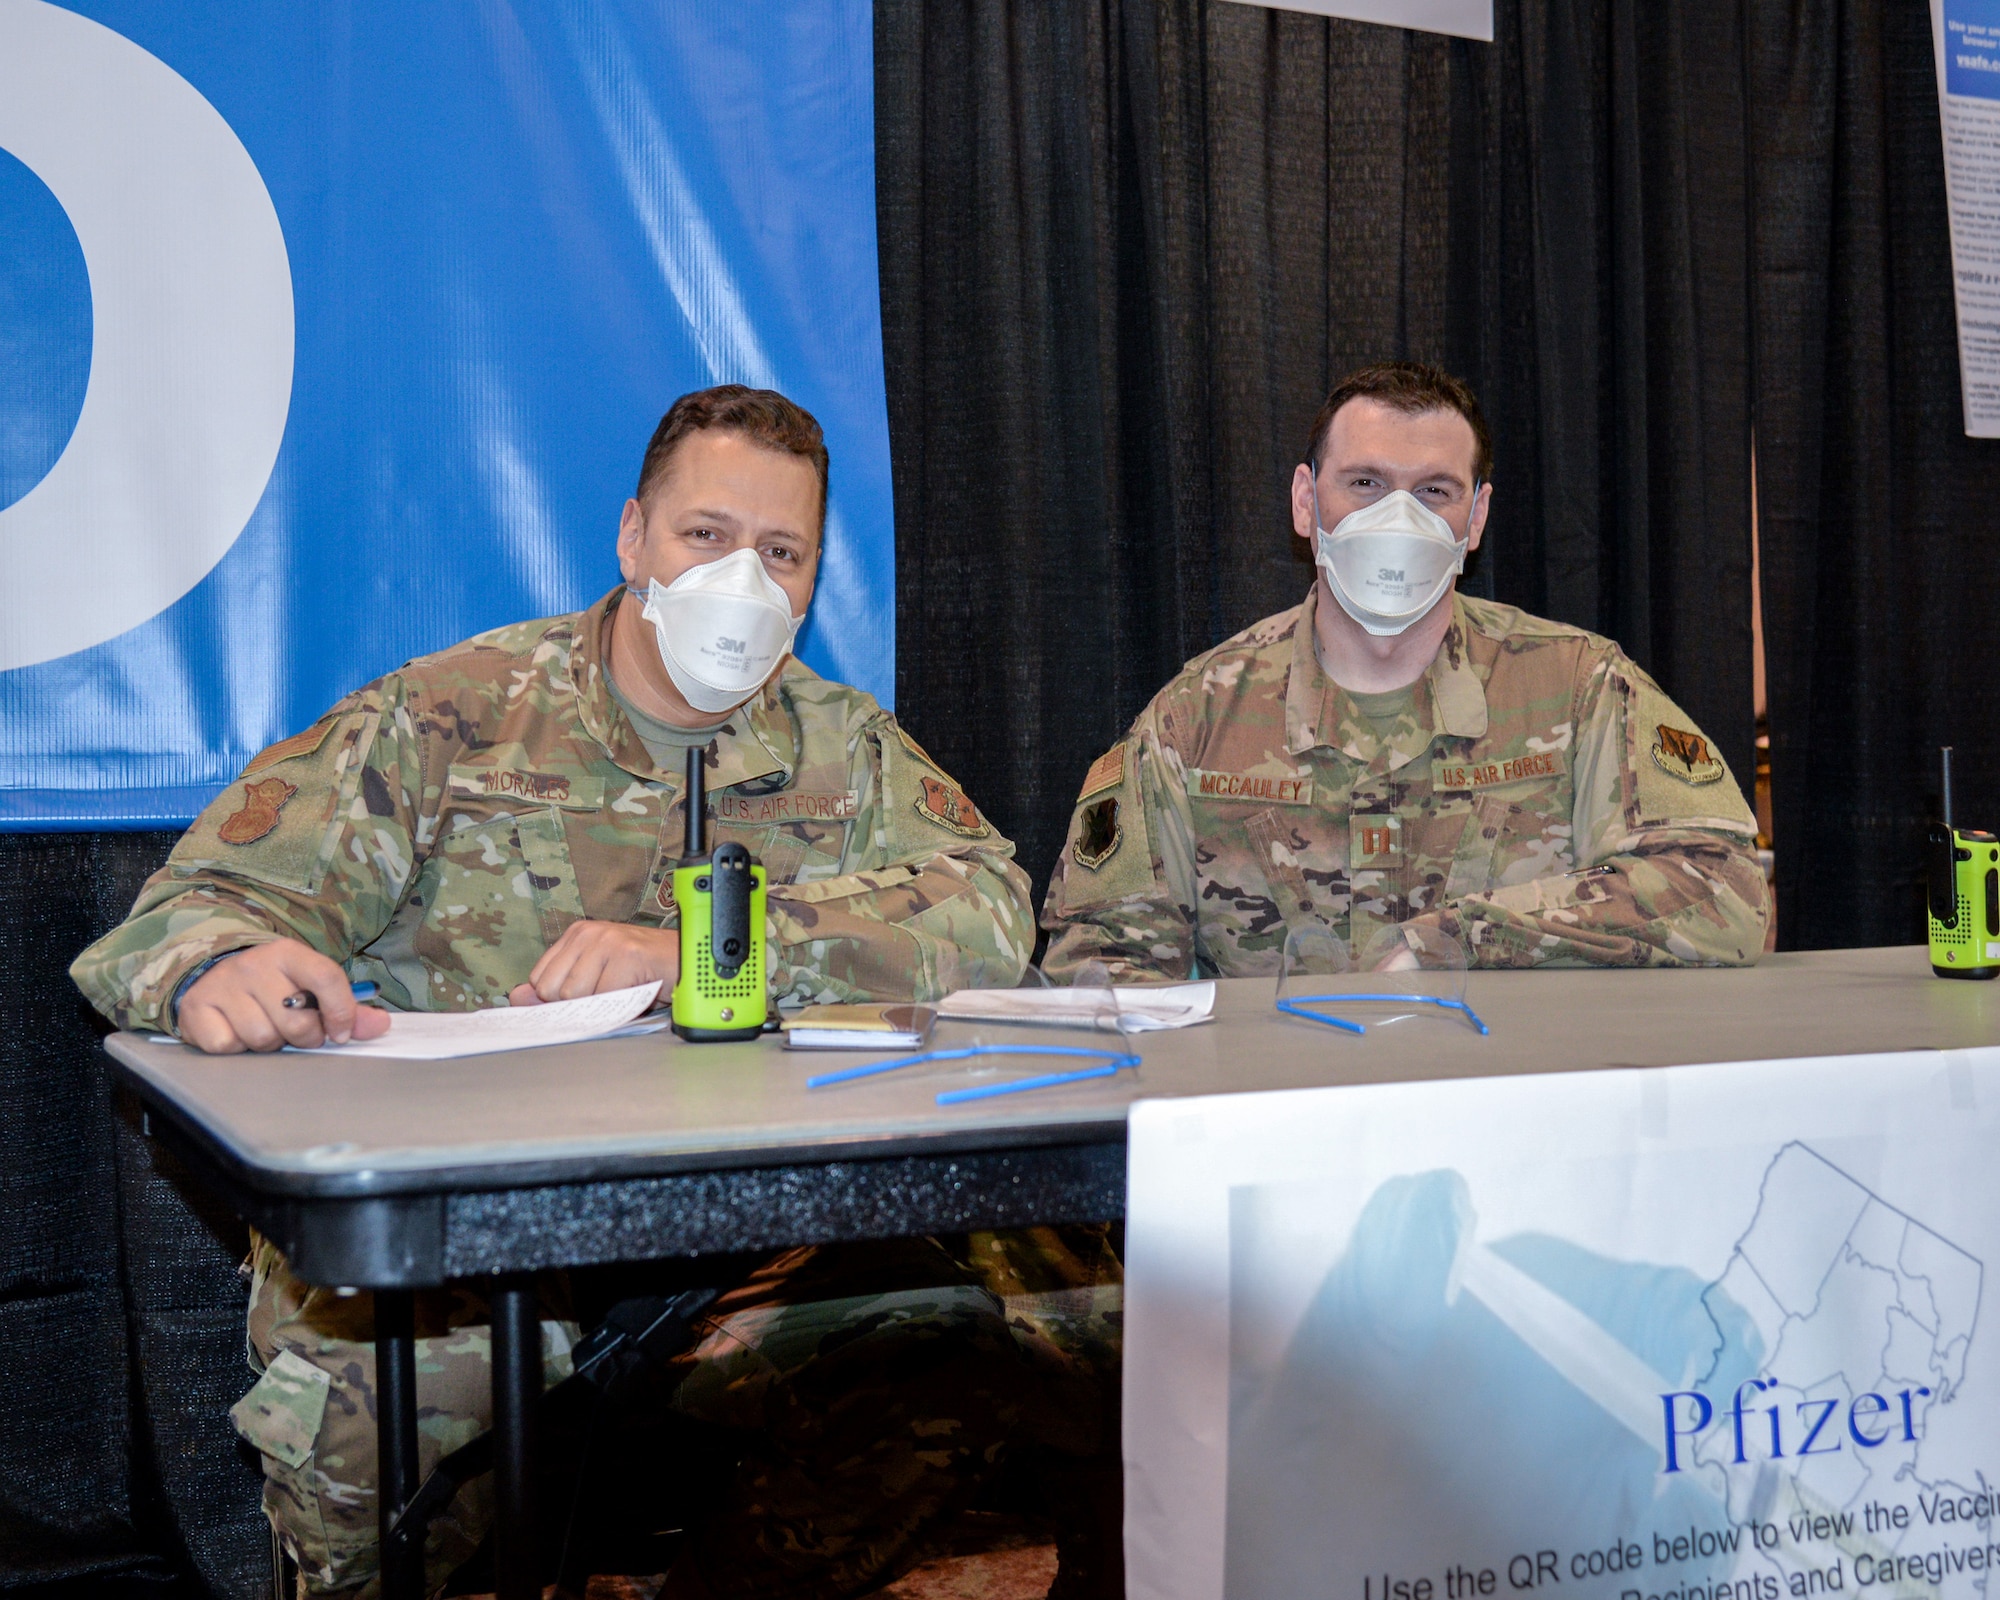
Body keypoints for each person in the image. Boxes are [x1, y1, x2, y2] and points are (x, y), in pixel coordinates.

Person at [72, 387, 1112, 1599]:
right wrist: (218, 964)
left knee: (944, 1353)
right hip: (477, 1225)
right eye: (705, 536)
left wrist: (713, 946)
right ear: (632, 539)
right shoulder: (454, 716)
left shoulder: (840, 745)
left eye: (782, 553)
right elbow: (189, 906)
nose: (744, 581)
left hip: (750, 1231)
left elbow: (988, 906)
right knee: (372, 1424)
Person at [1042, 361, 1768, 979]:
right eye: (1364, 483)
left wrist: (1460, 941)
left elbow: (1725, 893)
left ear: (1476, 517)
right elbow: (1098, 962)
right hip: (1286, 1120)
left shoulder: (1579, 691)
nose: (1398, 518)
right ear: (1306, 501)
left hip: (1509, 1107)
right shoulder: (1195, 722)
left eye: (1433, 492)